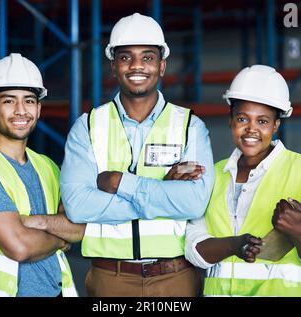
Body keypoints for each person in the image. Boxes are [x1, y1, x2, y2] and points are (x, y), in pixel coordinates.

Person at [60, 13, 215, 297]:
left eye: (147, 57)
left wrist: (122, 183)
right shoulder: (88, 126)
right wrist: (164, 194)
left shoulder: (190, 126)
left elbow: (194, 203)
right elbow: (78, 206)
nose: (136, 66)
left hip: (175, 278)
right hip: (110, 278)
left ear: (162, 65)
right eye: (125, 57)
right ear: (113, 67)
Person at [185, 64, 301, 297]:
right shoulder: (212, 176)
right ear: (231, 120)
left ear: (276, 124)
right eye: (243, 119)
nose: (251, 130)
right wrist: (234, 245)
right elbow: (195, 250)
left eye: (263, 121)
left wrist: (299, 232)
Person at [0, 53, 85, 297]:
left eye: (29, 101)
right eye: (9, 101)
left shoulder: (48, 167)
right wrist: (60, 238)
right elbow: (19, 246)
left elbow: (79, 229)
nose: (21, 111)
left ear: (39, 108)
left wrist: (35, 221)